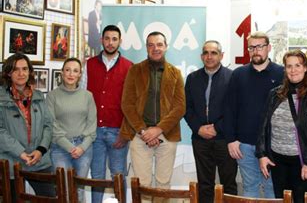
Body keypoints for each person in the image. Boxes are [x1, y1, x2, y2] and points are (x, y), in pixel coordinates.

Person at [256, 49, 307, 203]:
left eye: (297, 65)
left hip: (301, 161)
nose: (293, 70)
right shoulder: (275, 94)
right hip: (277, 160)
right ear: (285, 69)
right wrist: (262, 155)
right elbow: (264, 126)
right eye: (289, 66)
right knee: (281, 200)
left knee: (300, 200)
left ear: (305, 67)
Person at [121, 31, 185, 197]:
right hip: (139, 135)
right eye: (151, 45)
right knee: (142, 184)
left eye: (159, 44)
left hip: (167, 135)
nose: (155, 48)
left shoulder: (175, 73)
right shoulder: (135, 70)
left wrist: (158, 130)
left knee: (163, 185)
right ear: (146, 47)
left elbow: (180, 107)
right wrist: (144, 131)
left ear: (166, 47)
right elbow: (127, 104)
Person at [224, 31, 284, 198]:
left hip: (273, 144)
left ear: (269, 48)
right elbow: (229, 109)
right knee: (250, 188)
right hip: (244, 144)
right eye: (251, 47)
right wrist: (231, 140)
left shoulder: (282, 73)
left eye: (260, 46)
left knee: (272, 188)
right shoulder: (238, 74)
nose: (255, 51)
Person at [82, 25, 133, 203]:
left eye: (114, 39)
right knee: (96, 175)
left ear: (120, 41)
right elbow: (83, 98)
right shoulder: (89, 64)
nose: (110, 43)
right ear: (101, 40)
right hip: (94, 131)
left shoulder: (129, 67)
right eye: (107, 38)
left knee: (118, 175)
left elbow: (132, 104)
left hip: (117, 131)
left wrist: (125, 132)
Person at [184, 40, 237, 203]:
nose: (209, 56)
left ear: (221, 55)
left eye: (214, 53)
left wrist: (216, 128)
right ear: (201, 56)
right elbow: (187, 107)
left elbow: (235, 108)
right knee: (205, 184)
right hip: (200, 139)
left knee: (228, 185)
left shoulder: (232, 77)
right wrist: (198, 128)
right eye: (206, 53)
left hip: (224, 139)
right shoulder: (192, 78)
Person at [0, 53, 55, 201]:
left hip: (39, 160)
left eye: (24, 69)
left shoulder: (38, 96)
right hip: (12, 161)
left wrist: (40, 150)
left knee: (51, 198)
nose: (21, 73)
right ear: (8, 73)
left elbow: (48, 126)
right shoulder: (1, 97)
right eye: (16, 69)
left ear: (30, 72)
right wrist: (21, 152)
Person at [47, 58, 97, 202]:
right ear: (62, 73)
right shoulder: (52, 96)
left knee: (79, 190)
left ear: (80, 75)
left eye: (75, 71)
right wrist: (70, 147)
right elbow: (52, 125)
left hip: (84, 148)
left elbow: (91, 125)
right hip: (60, 148)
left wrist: (81, 147)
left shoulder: (88, 96)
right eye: (67, 70)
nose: (71, 74)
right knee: (64, 190)